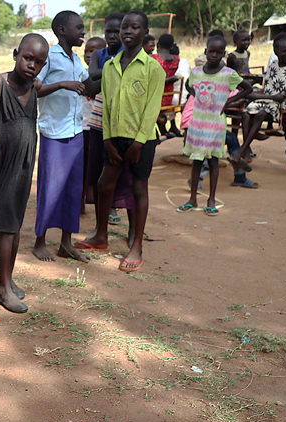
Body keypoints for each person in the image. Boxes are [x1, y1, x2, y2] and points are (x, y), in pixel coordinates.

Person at [76, 10, 164, 272]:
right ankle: (101, 236)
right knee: (104, 185)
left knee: (139, 190)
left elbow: (152, 109)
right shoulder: (111, 67)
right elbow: (107, 107)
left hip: (142, 140)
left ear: (144, 33)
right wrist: (107, 140)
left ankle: (136, 245)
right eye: (124, 27)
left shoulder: (153, 68)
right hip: (114, 138)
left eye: (134, 27)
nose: (127, 32)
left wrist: (138, 142)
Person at [0, 33, 50, 313]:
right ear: (15, 54)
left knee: (14, 224)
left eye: (39, 62)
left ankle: (7, 281)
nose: (32, 65)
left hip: (21, 165)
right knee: (2, 226)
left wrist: (64, 85)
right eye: (27, 57)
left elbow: (44, 88)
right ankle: (3, 289)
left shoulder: (34, 87)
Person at [32, 10, 99, 263]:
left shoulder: (76, 59)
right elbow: (34, 86)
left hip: (75, 132)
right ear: (62, 30)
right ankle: (40, 242)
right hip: (54, 134)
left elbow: (88, 86)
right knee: (50, 189)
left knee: (73, 189)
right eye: (78, 27)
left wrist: (110, 70)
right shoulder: (50, 55)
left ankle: (66, 243)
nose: (83, 32)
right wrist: (62, 84)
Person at [177, 36, 252, 216]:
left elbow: (248, 88)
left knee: (213, 161)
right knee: (196, 161)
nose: (214, 55)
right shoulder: (196, 72)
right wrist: (196, 95)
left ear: (224, 54)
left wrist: (228, 102)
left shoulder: (228, 74)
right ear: (206, 51)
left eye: (219, 52)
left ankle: (211, 200)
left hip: (216, 125)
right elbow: (189, 86)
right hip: (197, 124)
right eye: (211, 51)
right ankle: (192, 199)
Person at [81, 12, 137, 248]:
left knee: (132, 181)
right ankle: (100, 232)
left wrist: (105, 75)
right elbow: (90, 80)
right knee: (102, 181)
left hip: (127, 126)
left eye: (118, 31)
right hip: (100, 123)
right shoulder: (99, 55)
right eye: (109, 32)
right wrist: (114, 72)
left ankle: (134, 231)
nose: (113, 36)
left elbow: (95, 79)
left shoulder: (132, 57)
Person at [233, 33, 286, 173]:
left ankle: (241, 152)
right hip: (271, 99)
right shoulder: (273, 65)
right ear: (275, 52)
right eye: (284, 51)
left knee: (260, 114)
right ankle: (245, 151)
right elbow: (268, 86)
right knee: (246, 113)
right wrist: (267, 95)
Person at [81, 37, 106, 214]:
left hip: (99, 127)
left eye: (94, 52)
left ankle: (105, 206)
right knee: (82, 168)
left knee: (99, 168)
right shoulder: (80, 73)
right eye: (87, 52)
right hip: (81, 128)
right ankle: (80, 203)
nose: (90, 55)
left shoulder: (110, 73)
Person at [151, 34, 181, 137]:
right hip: (168, 96)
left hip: (155, 97)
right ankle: (162, 129)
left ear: (157, 45)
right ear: (172, 47)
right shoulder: (176, 59)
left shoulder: (152, 58)